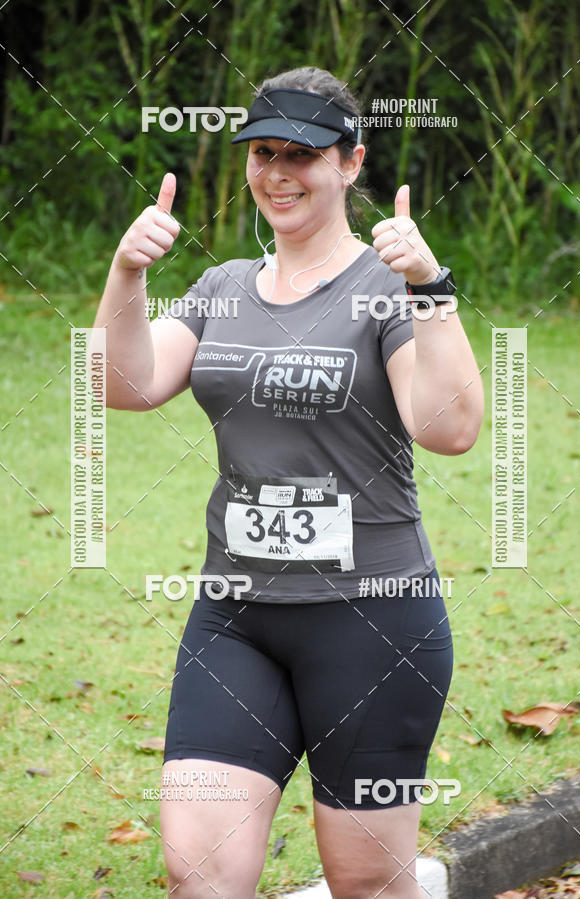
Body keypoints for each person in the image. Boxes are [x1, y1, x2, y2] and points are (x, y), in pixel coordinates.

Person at [95, 66, 483, 899]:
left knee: (367, 881)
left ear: (350, 162)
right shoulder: (222, 289)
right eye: (262, 151)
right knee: (199, 868)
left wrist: (431, 289)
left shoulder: (386, 291)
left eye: (302, 154)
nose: (277, 171)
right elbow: (123, 384)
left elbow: (450, 427)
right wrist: (125, 276)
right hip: (235, 621)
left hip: (373, 625)